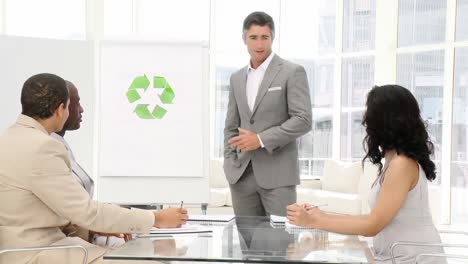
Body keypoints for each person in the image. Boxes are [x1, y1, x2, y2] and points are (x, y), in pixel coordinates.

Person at [0, 73, 188, 264]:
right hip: (39, 254)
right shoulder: (42, 147)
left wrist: (100, 227)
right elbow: (86, 211)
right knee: (151, 259)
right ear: (60, 109)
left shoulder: (9, 138)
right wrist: (156, 218)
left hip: (22, 250)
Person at [287, 85, 445, 264]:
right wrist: (319, 215)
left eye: (369, 114)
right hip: (395, 256)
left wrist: (313, 221)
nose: (365, 120)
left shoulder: (402, 164)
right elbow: (375, 219)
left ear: (386, 121)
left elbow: (372, 225)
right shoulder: (393, 160)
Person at [223, 11, 312, 217]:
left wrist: (261, 139)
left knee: (280, 244)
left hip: (278, 177)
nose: (259, 44)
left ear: (272, 37)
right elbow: (230, 126)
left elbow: (303, 119)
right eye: (253, 38)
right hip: (241, 176)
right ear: (244, 39)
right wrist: (230, 164)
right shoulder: (236, 78)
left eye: (265, 37)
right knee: (246, 246)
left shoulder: (292, 71)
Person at [51, 80, 129, 246]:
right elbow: (71, 210)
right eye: (76, 102)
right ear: (60, 108)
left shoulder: (60, 144)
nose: (81, 109)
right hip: (71, 242)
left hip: (84, 234)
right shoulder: (48, 149)